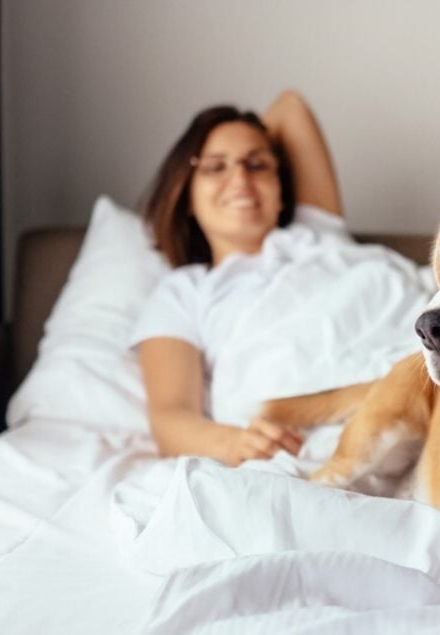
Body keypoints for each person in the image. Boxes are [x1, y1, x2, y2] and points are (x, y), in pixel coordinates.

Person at [132, 90, 342, 466]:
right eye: (215, 168)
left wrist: (239, 137)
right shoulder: (184, 291)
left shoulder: (319, 236)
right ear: (188, 196)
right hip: (305, 433)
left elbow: (290, 106)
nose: (240, 178)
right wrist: (235, 443)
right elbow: (170, 417)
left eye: (257, 165)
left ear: (281, 191)